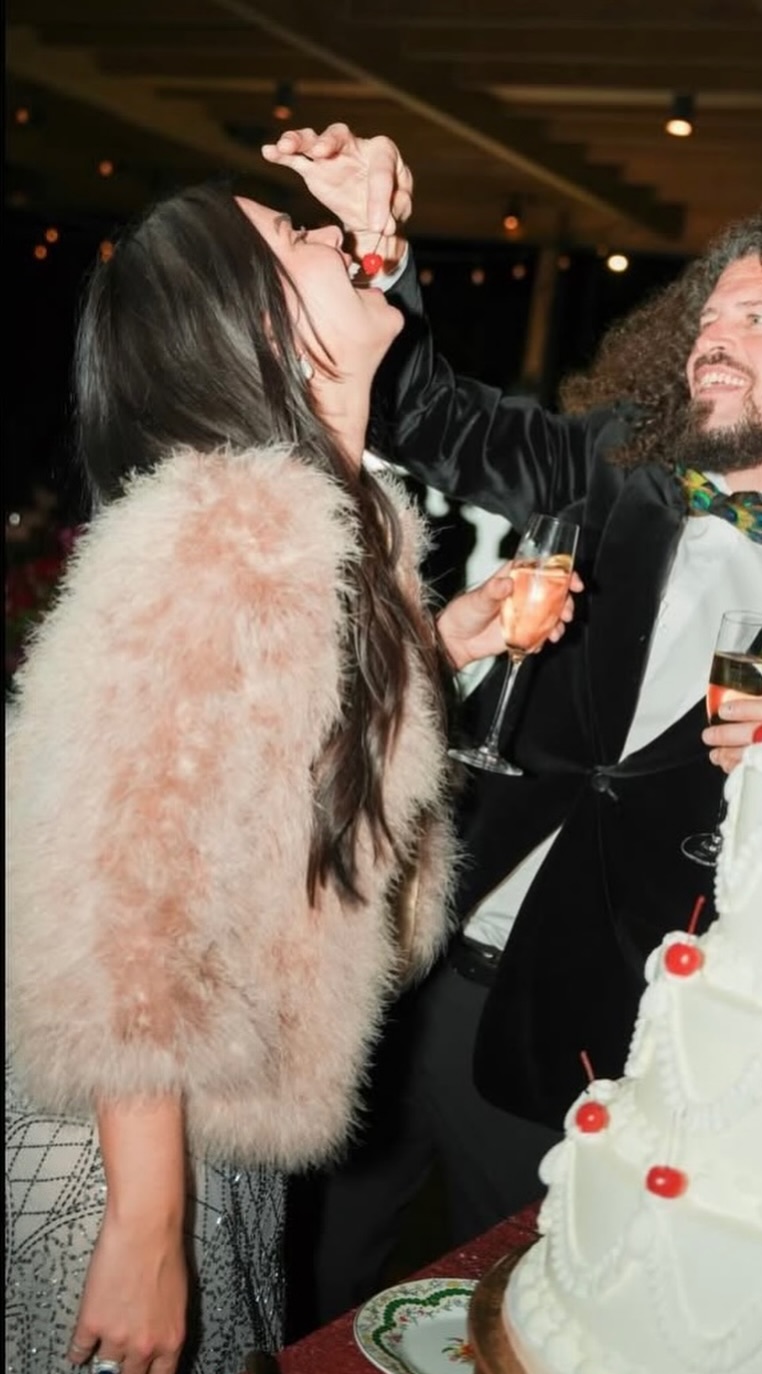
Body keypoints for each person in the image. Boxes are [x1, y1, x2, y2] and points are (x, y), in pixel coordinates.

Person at [260, 124, 762, 1324]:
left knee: (505, 1312)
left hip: (597, 1038)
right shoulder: (613, 467)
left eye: (761, 317)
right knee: (294, 1289)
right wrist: (372, 242)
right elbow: (430, 414)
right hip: (401, 963)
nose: (716, 335)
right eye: (710, 316)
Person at [4, 179, 580, 1374]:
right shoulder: (224, 526)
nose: (330, 236)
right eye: (289, 235)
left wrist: (436, 649)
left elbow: (272, 762)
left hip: (210, 1109)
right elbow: (117, 893)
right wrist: (148, 1221)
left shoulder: (331, 519)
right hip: (125, 1132)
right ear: (252, 324)